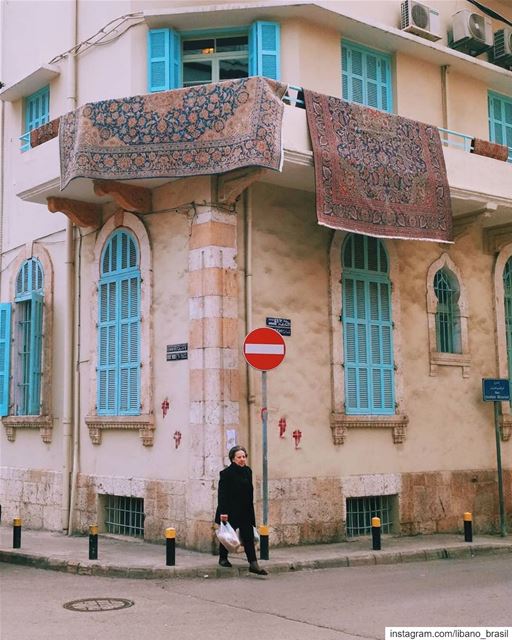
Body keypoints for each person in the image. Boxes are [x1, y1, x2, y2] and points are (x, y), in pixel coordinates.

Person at [215, 445, 268, 575]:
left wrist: (251, 511)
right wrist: (223, 513)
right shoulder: (226, 474)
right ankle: (223, 558)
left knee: (248, 536)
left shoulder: (248, 471)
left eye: (244, 457)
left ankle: (253, 564)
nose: (242, 459)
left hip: (245, 510)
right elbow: (222, 494)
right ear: (233, 459)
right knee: (228, 535)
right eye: (239, 457)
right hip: (230, 510)